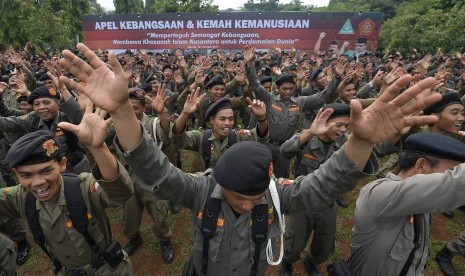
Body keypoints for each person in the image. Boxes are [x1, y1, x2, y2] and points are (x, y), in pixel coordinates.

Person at [58, 42, 440, 276]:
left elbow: (325, 184)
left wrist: (359, 142)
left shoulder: (275, 195)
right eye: (236, 195)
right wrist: (124, 112)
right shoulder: (203, 190)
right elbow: (157, 174)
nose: (244, 203)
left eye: (252, 196)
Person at [0, 103, 134, 275]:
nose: (37, 182)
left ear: (62, 164)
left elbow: (120, 194)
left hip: (107, 269)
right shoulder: (21, 196)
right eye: (26, 175)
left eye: (46, 171)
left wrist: (98, 148)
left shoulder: (82, 186)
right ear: (15, 174)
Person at [349, 132, 465, 275]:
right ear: (421, 165)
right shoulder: (381, 194)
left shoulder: (421, 204)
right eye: (450, 173)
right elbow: (456, 184)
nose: (449, 179)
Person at [244, 45, 343, 178]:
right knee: (259, 175)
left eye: (291, 88)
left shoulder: (300, 102)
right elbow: (255, 85)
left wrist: (336, 77)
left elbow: (322, 96)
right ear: (277, 88)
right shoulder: (270, 99)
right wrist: (249, 64)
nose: (288, 92)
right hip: (265, 146)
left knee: (281, 179)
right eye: (284, 89)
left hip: (285, 150)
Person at [279, 103, 351, 276]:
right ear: (325, 122)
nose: (342, 130)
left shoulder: (345, 143)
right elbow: (284, 151)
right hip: (303, 200)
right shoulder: (308, 136)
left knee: (325, 243)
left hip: (328, 201)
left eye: (346, 126)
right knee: (294, 241)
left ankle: (312, 262)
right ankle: (287, 263)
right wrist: (310, 132)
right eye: (339, 125)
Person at [121, 90, 174, 262]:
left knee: (159, 213)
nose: (130, 111)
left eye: (135, 108)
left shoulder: (152, 123)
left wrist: (161, 112)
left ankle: (165, 240)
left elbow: (166, 136)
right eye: (127, 107)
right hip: (129, 177)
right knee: (129, 213)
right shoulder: (118, 124)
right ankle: (134, 237)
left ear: (144, 107)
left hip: (151, 178)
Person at [171, 93, 268, 170]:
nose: (227, 123)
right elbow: (178, 139)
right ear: (212, 120)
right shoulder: (201, 137)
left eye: (231, 119)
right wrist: (185, 114)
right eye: (222, 119)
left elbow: (259, 136)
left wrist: (261, 118)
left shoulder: (238, 136)